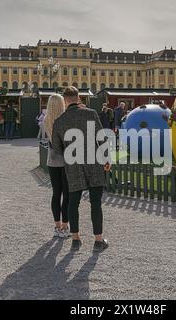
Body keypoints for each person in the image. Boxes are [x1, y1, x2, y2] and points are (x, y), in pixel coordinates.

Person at [52, 86, 110, 252]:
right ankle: (98, 240)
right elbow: (102, 138)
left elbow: (56, 148)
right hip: (94, 163)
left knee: (73, 203)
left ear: (65, 100)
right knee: (95, 203)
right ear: (78, 98)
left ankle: (75, 238)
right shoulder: (91, 113)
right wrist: (106, 159)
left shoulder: (59, 121)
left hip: (73, 165)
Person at [44, 94, 70, 239]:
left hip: (52, 160)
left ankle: (57, 226)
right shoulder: (65, 119)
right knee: (66, 195)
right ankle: (65, 226)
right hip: (66, 161)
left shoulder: (46, 120)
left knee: (56, 194)